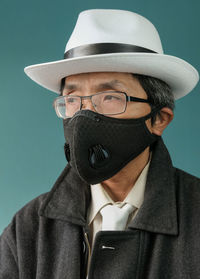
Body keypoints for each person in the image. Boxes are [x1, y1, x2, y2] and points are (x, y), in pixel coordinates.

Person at [0, 9, 199, 279]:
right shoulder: (27, 230)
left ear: (159, 119)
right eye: (72, 100)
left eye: (109, 97)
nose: (83, 116)